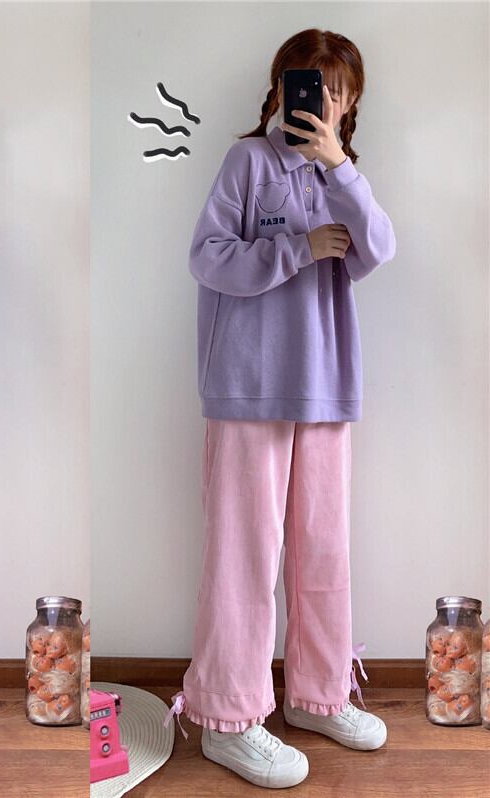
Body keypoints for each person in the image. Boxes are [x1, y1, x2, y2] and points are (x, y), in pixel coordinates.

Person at [163, 28, 396, 789]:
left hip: (325, 387)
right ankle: (228, 719)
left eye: (337, 91)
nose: (322, 101)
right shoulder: (248, 163)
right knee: (244, 556)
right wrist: (299, 248)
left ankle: (320, 695)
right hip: (248, 388)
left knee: (323, 552)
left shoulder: (344, 176)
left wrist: (339, 167)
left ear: (350, 102)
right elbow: (206, 256)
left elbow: (380, 249)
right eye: (309, 86)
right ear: (281, 89)